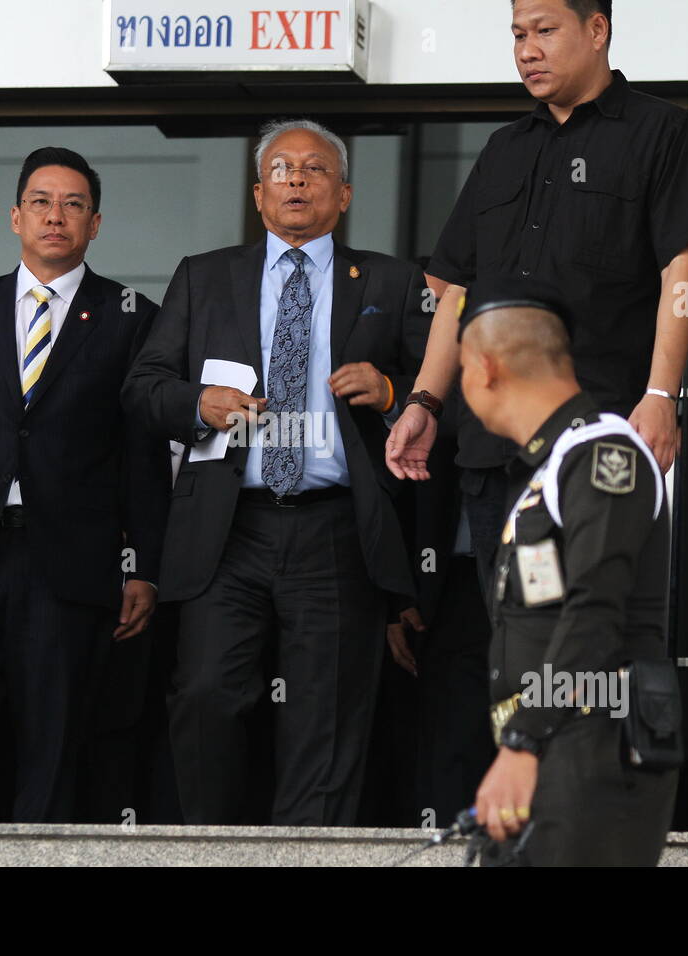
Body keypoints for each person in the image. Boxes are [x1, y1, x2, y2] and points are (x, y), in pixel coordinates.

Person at [122, 119, 430, 825]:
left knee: (326, 717)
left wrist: (388, 392)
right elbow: (143, 388)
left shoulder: (391, 278)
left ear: (345, 193)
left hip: (334, 528)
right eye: (282, 170)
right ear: (259, 194)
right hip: (229, 528)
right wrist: (198, 402)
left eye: (316, 169)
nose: (297, 179)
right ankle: (211, 848)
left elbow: (442, 394)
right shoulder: (204, 275)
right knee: (204, 694)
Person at [386, 0, 688, 601]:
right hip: (493, 451)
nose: (527, 50)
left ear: (598, 30)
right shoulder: (502, 149)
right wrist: (426, 402)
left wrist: (662, 395)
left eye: (544, 31)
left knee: (594, 641)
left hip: (597, 438)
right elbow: (458, 288)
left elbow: (683, 269)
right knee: (513, 647)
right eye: (517, 34)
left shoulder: (661, 132)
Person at [0, 147, 168, 823]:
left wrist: (146, 568)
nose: (56, 216)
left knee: (55, 739)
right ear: (15, 216)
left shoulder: (130, 314)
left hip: (71, 561)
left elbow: (143, 454)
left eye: (73, 205)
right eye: (41, 202)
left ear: (95, 224)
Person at [459, 274, 677, 866]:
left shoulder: (606, 451)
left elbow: (595, 609)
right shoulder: (554, 465)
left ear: (485, 368)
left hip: (596, 744)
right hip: (555, 746)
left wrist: (524, 742)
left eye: (460, 372)